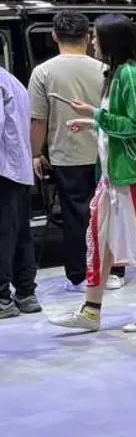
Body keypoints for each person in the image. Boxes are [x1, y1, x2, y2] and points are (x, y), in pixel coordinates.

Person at [50, 14, 136, 334]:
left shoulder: (131, 76)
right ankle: (91, 310)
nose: (93, 42)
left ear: (111, 40)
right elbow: (126, 121)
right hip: (117, 174)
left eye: (97, 36)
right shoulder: (121, 74)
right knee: (100, 239)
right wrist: (94, 119)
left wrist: (97, 116)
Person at [27, 12, 126, 292]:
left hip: (66, 154)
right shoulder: (106, 69)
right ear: (87, 37)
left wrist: (35, 154)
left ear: (54, 36)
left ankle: (81, 275)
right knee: (110, 212)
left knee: (75, 216)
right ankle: (114, 272)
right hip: (107, 152)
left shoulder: (43, 72)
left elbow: (38, 120)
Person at [0, 62, 39, 319]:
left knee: (4, 235)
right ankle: (25, 293)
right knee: (20, 235)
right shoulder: (11, 80)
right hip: (18, 170)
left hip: (4, 170)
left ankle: (2, 297)